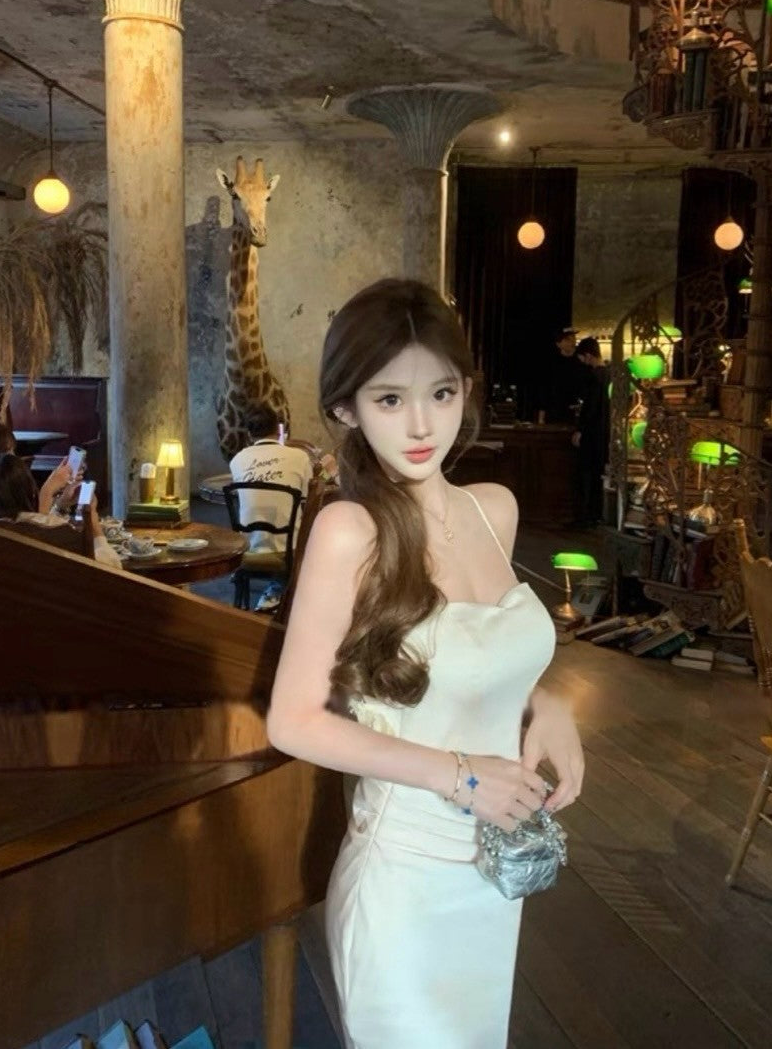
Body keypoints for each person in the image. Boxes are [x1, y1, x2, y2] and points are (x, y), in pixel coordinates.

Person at [267, 278, 584, 1049]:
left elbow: (477, 656)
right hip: (404, 881)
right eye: (389, 399)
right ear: (346, 408)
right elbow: (293, 720)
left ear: (465, 390)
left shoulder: (492, 508)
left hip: (490, 877)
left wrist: (546, 703)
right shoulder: (350, 530)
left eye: (440, 393)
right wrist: (460, 776)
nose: (420, 425)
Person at [228, 403, 314, 609]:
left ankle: (270, 591)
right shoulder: (300, 457)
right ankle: (283, 592)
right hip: (288, 552)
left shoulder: (237, 460)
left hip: (246, 550)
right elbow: (307, 499)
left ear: (249, 433)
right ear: (278, 429)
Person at [0, 452, 122, 568]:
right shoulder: (61, 533)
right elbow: (111, 565)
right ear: (29, 490)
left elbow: (38, 526)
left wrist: (60, 505)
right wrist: (93, 519)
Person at [571, 336, 610, 527]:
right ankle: (596, 514)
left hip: (591, 433)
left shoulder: (594, 377)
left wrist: (580, 430)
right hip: (605, 432)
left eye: (582, 358)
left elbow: (590, 408)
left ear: (587, 355)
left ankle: (584, 516)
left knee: (585, 475)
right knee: (598, 475)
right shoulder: (610, 375)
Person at [547, 326, 587, 423]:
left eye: (574, 338)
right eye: (567, 339)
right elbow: (546, 388)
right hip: (557, 410)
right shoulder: (553, 362)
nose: (572, 342)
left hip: (578, 410)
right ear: (558, 344)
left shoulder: (582, 360)